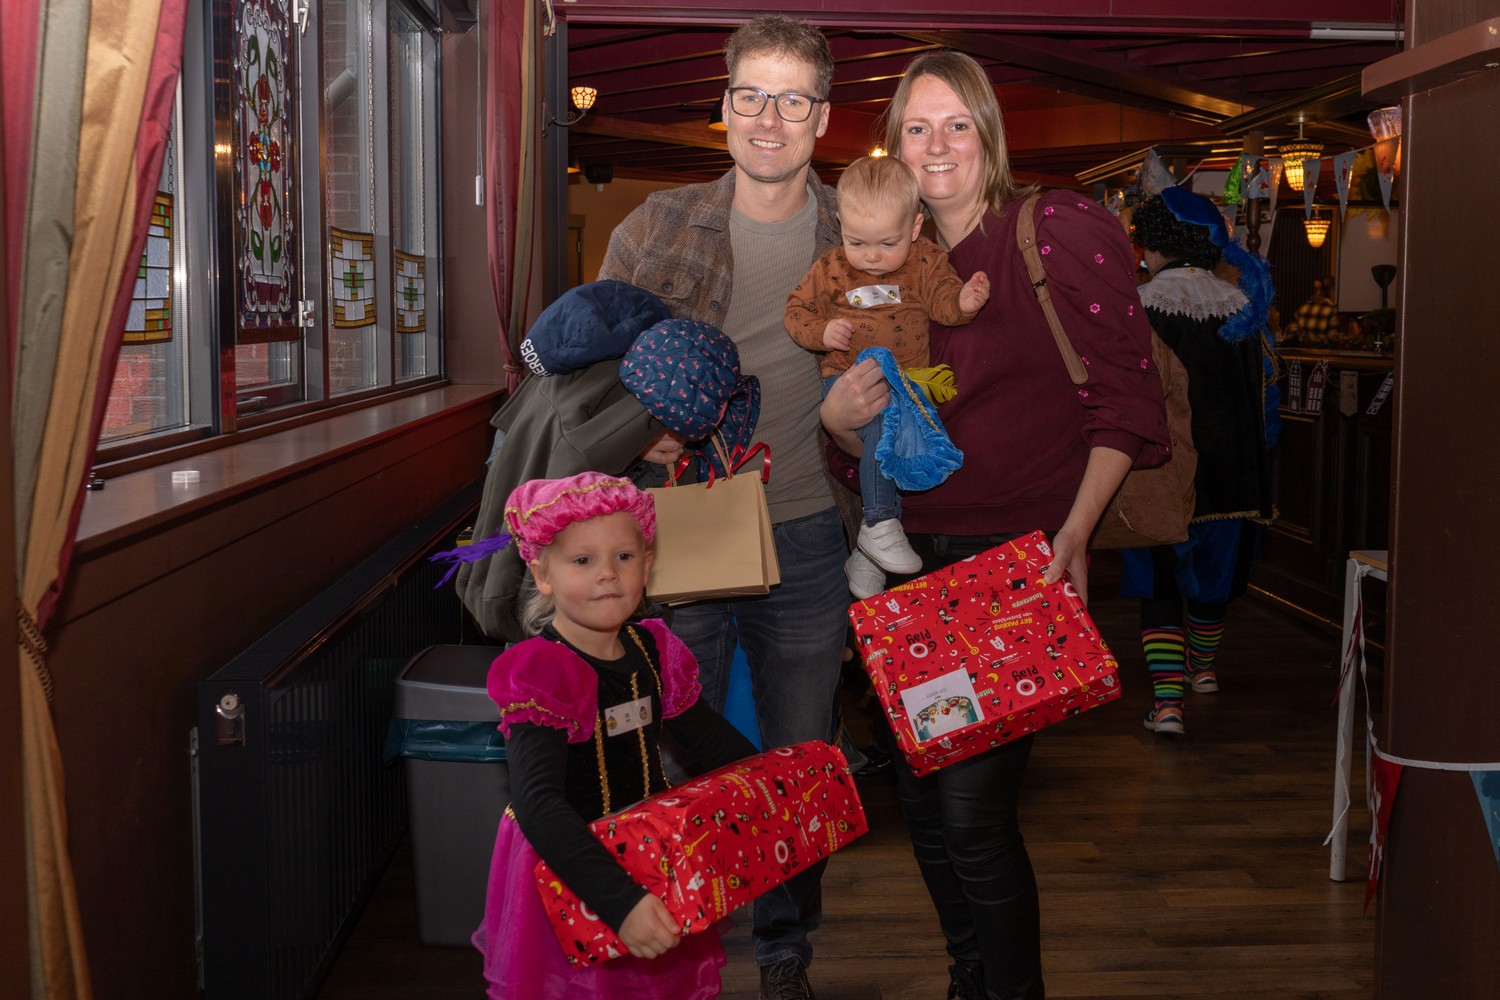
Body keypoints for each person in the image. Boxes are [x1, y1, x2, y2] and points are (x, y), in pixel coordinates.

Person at [820, 51, 1170, 1000]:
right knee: (927, 804)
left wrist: (1074, 535)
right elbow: (869, 456)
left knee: (973, 814)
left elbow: (1127, 404)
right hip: (909, 571)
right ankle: (968, 976)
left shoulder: (1053, 229)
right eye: (917, 128)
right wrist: (838, 424)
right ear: (895, 147)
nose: (937, 146)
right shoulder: (881, 269)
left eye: (957, 124)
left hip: (1011, 568)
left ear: (989, 135)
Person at [597, 16, 852, 999]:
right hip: (679, 529)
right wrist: (639, 432)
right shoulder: (656, 225)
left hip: (809, 530)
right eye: (752, 95)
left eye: (792, 99)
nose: (769, 118)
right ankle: (680, 949)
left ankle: (785, 951)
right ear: (725, 104)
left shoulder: (863, 231)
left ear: (821, 116)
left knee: (800, 762)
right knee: (671, 757)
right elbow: (587, 373)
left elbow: (926, 352)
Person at [472, 472, 759, 1000]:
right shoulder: (542, 672)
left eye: (624, 556)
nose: (608, 573)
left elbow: (715, 743)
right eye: (583, 560)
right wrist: (620, 903)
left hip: (650, 848)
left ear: (647, 565)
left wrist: (772, 788)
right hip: (568, 862)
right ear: (543, 575)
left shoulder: (655, 650)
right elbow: (538, 802)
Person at [452, 281, 760, 645]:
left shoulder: (577, 362)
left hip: (540, 573)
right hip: (567, 600)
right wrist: (638, 437)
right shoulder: (657, 383)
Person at [785, 154, 990, 593]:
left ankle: (866, 557)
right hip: (848, 377)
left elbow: (943, 302)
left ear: (915, 228)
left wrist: (963, 302)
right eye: (857, 242)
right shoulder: (832, 268)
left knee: (902, 445)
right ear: (841, 225)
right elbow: (796, 311)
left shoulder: (925, 261)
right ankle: (879, 523)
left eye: (887, 243)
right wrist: (822, 332)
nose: (872, 256)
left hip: (909, 382)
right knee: (883, 426)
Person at [1122, 188, 1276, 736]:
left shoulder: (1137, 307)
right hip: (1234, 473)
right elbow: (1267, 395)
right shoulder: (1246, 307)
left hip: (1161, 471)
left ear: (1153, 244)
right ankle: (1203, 669)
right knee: (1215, 577)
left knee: (1159, 581)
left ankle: (1167, 704)